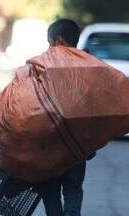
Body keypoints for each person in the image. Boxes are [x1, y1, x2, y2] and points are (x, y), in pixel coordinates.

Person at [39, 19, 90, 216]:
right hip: (78, 144)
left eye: (50, 42)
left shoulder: (45, 64)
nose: (49, 47)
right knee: (73, 187)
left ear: (59, 40)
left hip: (51, 142)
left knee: (50, 189)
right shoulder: (89, 65)